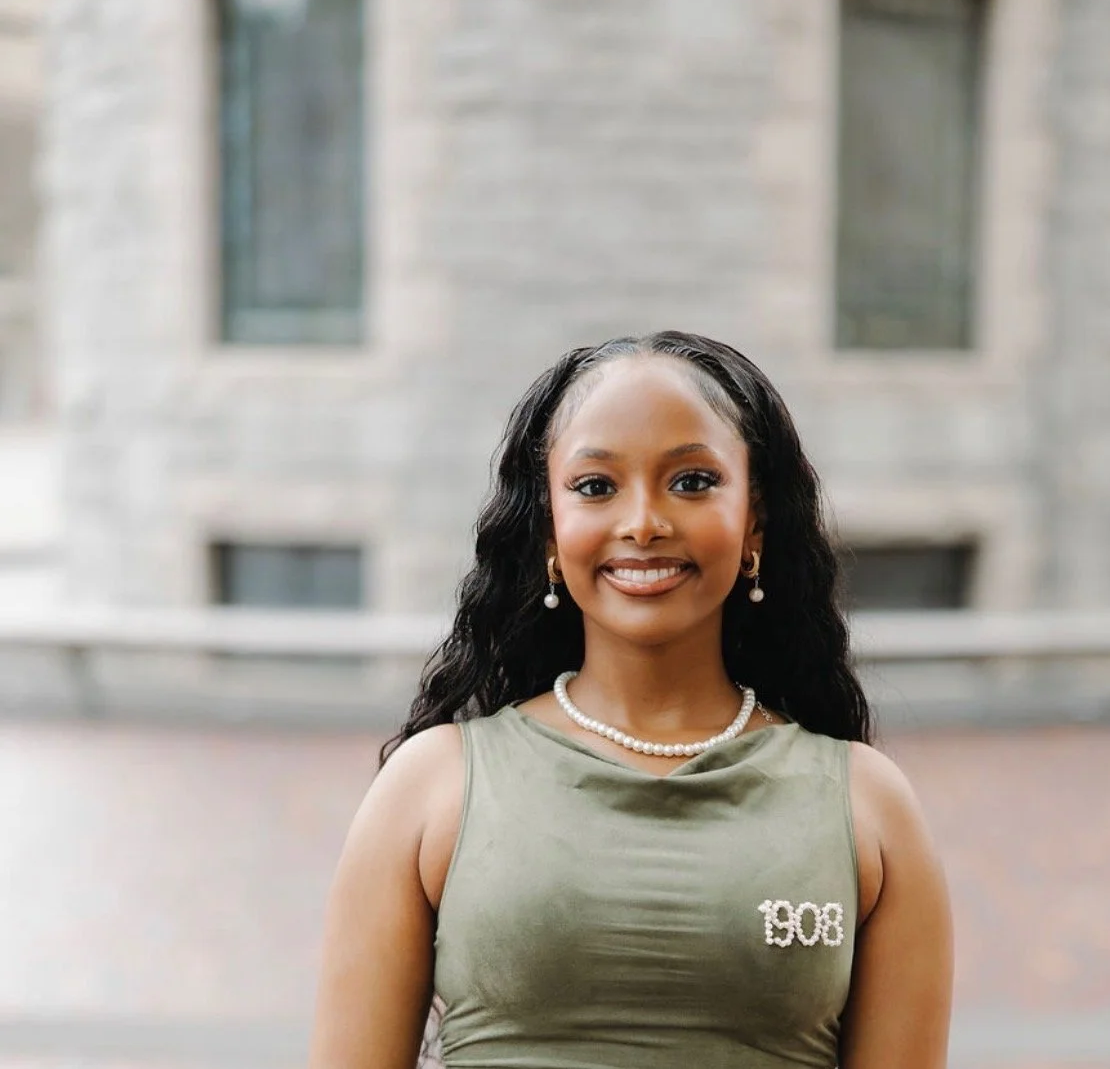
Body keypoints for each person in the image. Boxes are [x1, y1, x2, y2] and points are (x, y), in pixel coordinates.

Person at [307, 331, 954, 1068]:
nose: (643, 522)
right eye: (595, 487)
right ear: (548, 530)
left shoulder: (868, 808)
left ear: (756, 524)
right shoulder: (430, 787)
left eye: (692, 482)